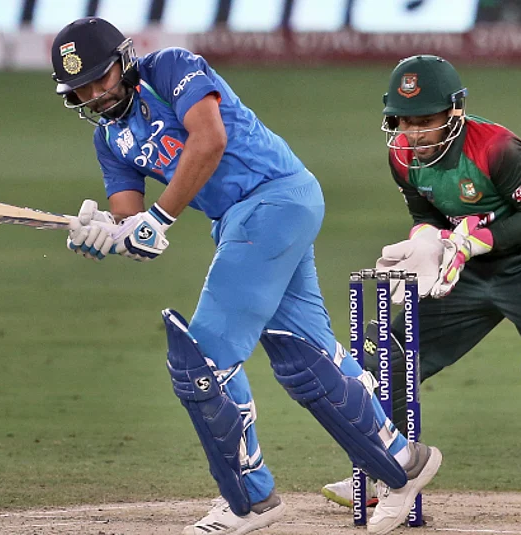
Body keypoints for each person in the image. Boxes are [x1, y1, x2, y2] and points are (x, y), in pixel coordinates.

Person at [50, 18, 442, 535]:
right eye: (80, 89)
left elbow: (209, 139)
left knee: (204, 358)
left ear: (123, 62)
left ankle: (251, 500)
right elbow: (132, 222)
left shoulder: (170, 69)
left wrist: (158, 220)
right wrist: (105, 233)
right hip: (240, 221)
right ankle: (404, 464)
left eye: (100, 79)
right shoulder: (109, 139)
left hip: (275, 198)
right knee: (301, 357)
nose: (94, 95)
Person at [321, 54, 521, 523]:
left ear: (454, 112)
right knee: (387, 357)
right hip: (466, 267)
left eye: (425, 120)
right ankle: (389, 473)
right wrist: (427, 243)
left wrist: (473, 241)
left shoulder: (497, 147)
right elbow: (425, 214)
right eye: (404, 121)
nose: (413, 133)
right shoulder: (402, 156)